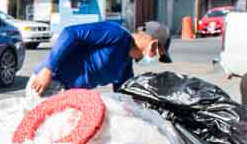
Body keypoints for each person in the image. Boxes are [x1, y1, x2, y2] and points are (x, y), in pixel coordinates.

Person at [30, 20, 172, 95]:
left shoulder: (125, 67)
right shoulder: (116, 34)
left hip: (69, 95)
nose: (153, 59)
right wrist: (48, 69)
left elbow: (123, 95)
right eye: (157, 55)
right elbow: (70, 33)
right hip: (48, 83)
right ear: (153, 45)